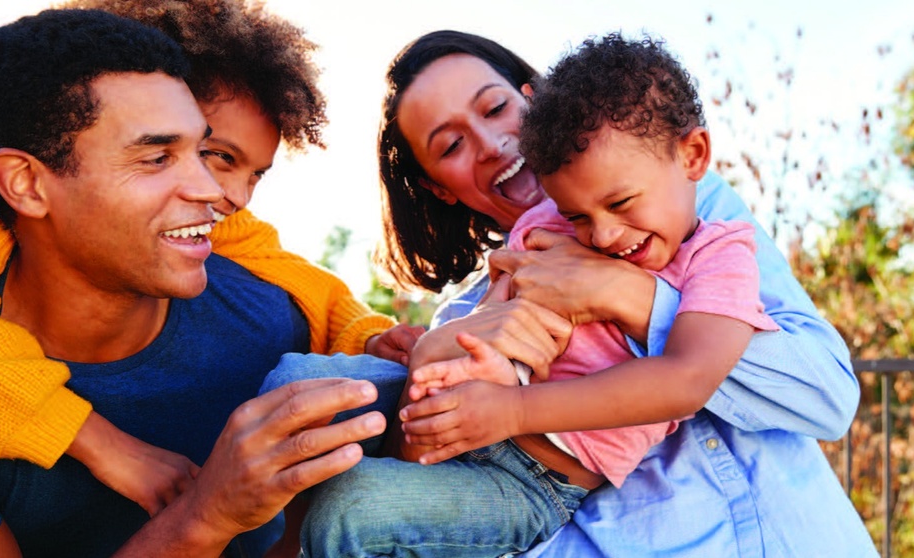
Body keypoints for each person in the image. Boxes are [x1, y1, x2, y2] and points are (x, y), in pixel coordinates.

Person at [307, 29, 875, 556]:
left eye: (496, 108)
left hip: (739, 529)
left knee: (346, 504)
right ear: (438, 187)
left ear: (532, 100)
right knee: (299, 385)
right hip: (524, 485)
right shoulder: (529, 245)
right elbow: (442, 427)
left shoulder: (699, 217)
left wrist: (623, 296)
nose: (490, 142)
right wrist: (444, 357)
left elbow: (818, 395)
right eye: (451, 144)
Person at [0, 0, 419, 524]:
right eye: (216, 156)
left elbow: (288, 271)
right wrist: (100, 444)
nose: (230, 196)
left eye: (254, 174)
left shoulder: (233, 264)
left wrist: (363, 335)